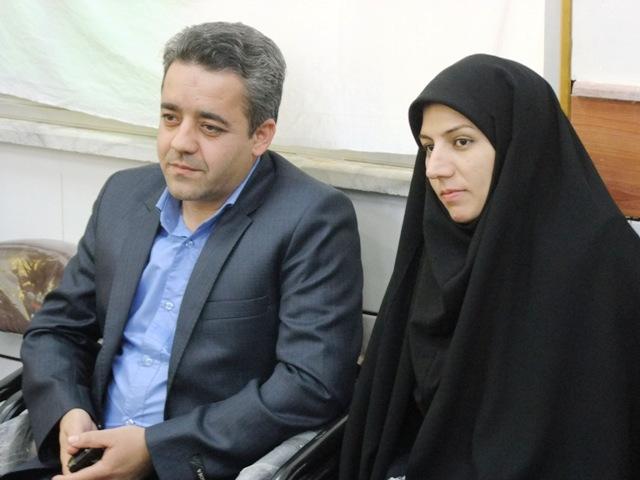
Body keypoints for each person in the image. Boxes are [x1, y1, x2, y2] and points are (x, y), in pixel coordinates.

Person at [7, 22, 363, 480]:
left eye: (209, 127)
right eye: (170, 118)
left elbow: (312, 385)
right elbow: (56, 330)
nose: (180, 143)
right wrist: (67, 413)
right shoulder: (123, 196)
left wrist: (155, 450)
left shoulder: (311, 219)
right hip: (82, 454)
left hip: (193, 466)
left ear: (261, 135)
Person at [339, 54, 640, 479]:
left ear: (521, 143)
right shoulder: (439, 248)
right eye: (428, 147)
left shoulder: (600, 263)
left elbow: (594, 444)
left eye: (461, 142)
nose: (435, 169)